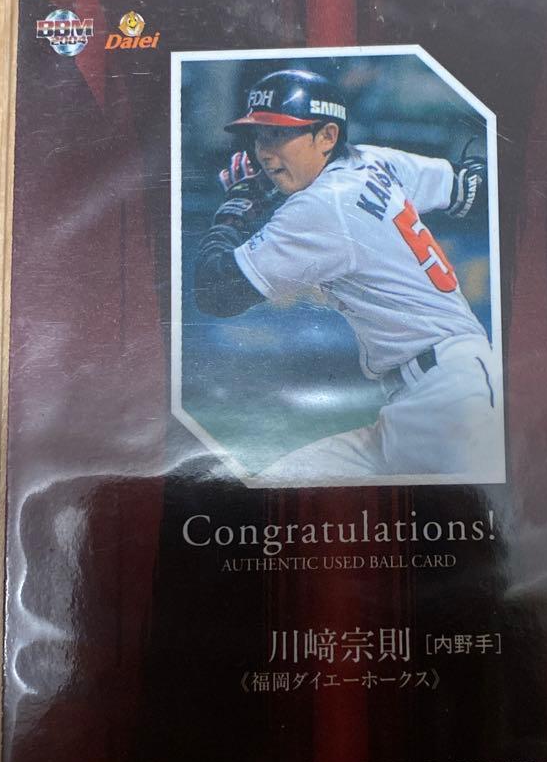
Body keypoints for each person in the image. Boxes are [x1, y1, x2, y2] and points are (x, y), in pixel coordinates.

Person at [193, 68, 502, 484]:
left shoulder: (322, 205)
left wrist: (234, 211)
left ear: (327, 136)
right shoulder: (372, 160)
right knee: (270, 488)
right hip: (429, 394)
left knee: (462, 522)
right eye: (260, 135)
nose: (264, 152)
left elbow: (216, 292)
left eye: (280, 134)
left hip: (450, 402)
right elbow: (471, 185)